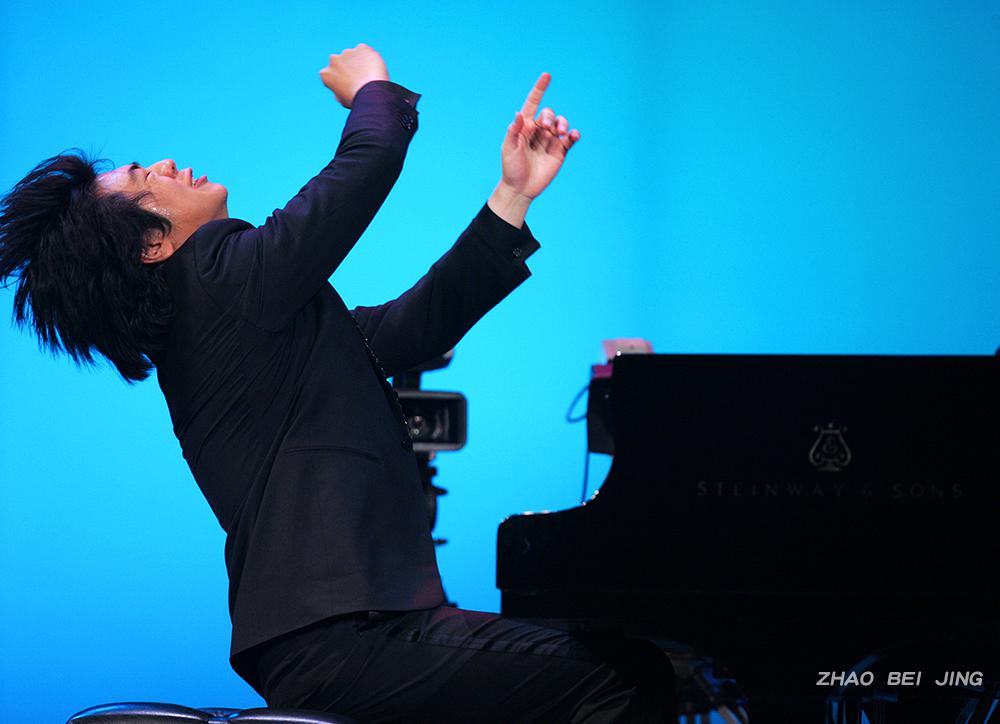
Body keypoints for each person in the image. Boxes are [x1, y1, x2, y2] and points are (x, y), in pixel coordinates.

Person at [0, 45, 675, 722]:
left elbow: (413, 329)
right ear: (150, 246)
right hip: (347, 638)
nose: (168, 164)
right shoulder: (216, 277)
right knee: (623, 677)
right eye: (146, 179)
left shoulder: (228, 325)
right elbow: (368, 162)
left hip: (336, 642)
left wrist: (513, 195)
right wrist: (370, 88)